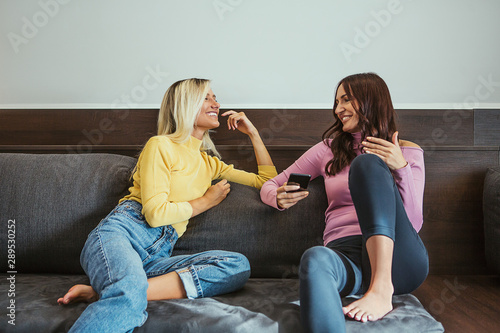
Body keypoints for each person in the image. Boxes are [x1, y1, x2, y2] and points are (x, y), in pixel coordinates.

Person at [58, 78, 277, 332]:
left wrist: (253, 133)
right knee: (127, 295)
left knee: (237, 265)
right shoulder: (160, 145)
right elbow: (154, 214)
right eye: (206, 97)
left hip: (157, 256)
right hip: (123, 234)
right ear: (185, 105)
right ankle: (125, 289)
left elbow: (267, 182)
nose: (216, 104)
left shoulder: (210, 164)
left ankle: (115, 289)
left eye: (215, 98)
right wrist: (204, 202)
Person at [260, 73, 429, 332]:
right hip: (347, 257)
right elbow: (269, 185)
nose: (338, 109)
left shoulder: (407, 151)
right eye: (336, 101)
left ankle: (381, 288)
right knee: (315, 257)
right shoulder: (326, 150)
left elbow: (414, 222)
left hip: (398, 259)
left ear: (370, 100)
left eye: (346, 100)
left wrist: (401, 169)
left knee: (367, 163)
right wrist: (278, 198)